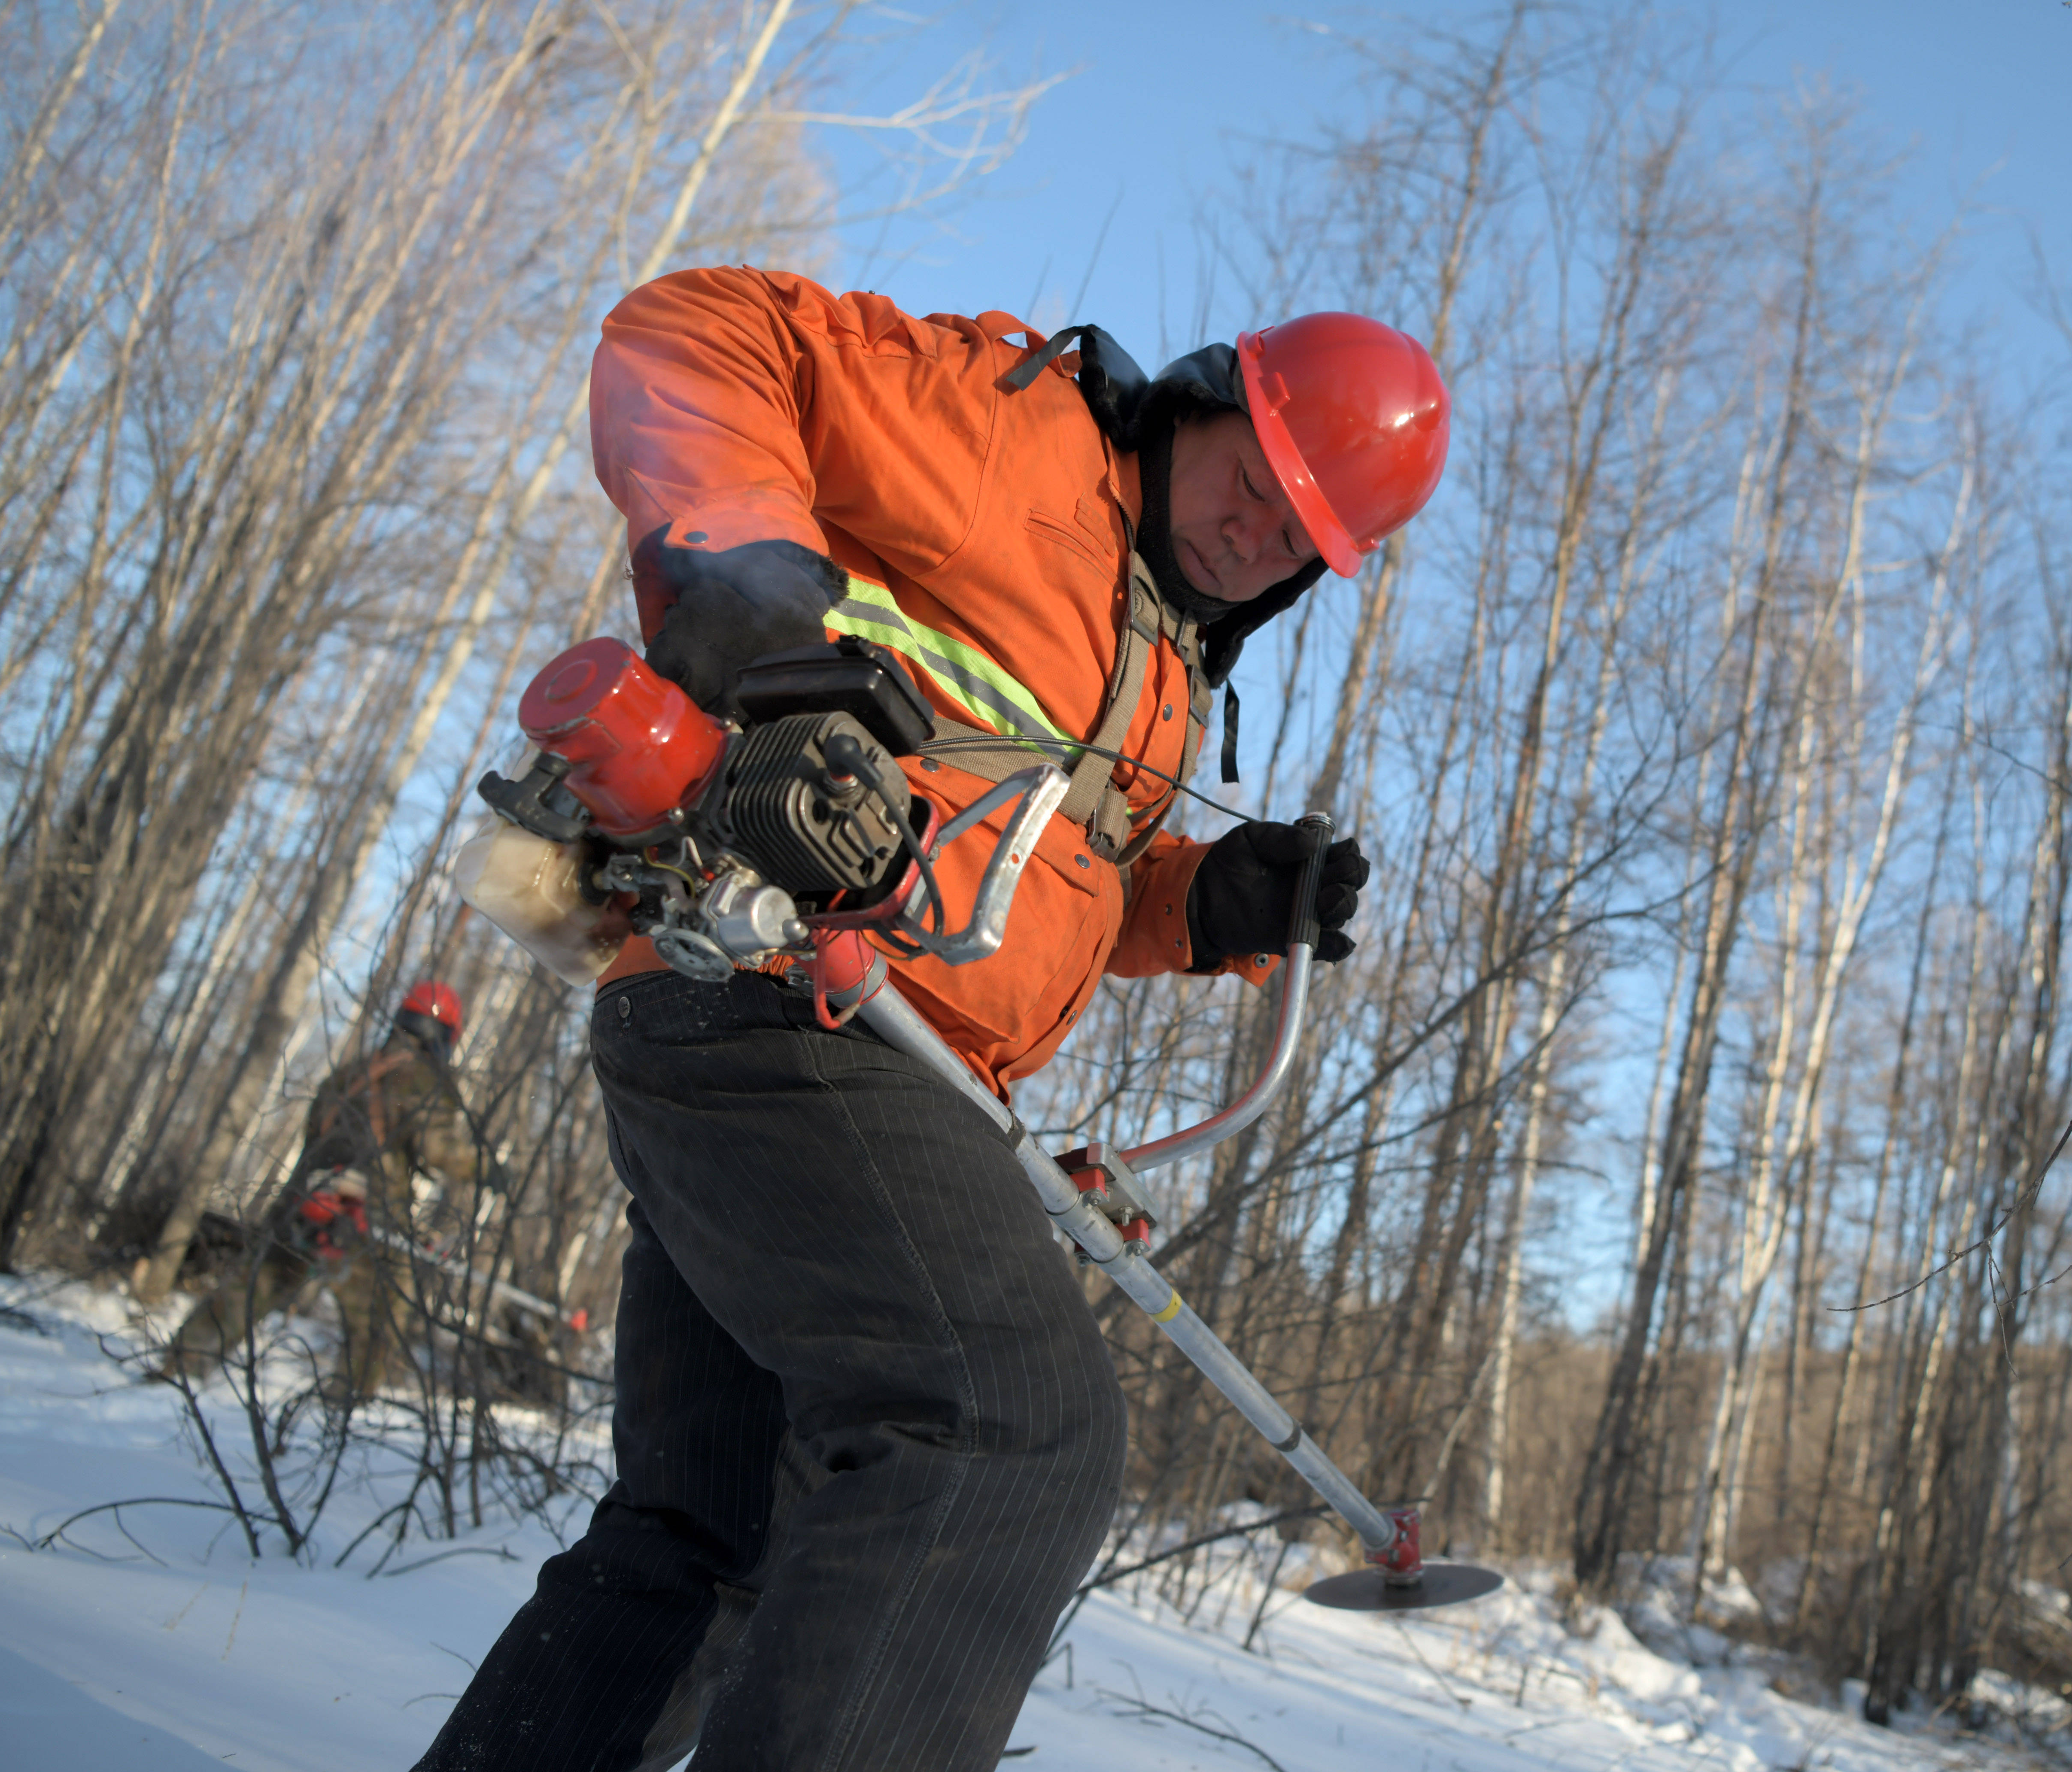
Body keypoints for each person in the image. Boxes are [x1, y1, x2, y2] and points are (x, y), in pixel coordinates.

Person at [415, 270, 1449, 1772]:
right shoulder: (1009, 428)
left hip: (857, 1045)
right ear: (1205, 399)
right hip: (778, 991)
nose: (1253, 534)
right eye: (1254, 482)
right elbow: (694, 326)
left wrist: (1201, 901)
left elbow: (1039, 882)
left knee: (714, 1532)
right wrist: (741, 551)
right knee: (1004, 1430)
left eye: (1297, 537)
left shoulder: (1163, 663)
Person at [167, 982, 498, 1396]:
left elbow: (314, 1132)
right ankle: (347, 1404)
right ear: (448, 1033)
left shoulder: (353, 1072)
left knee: (255, 1284)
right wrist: (488, 1170)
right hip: (366, 1214)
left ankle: (182, 1362)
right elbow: (440, 1149)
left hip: (304, 1197)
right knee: (380, 1314)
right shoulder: (425, 1081)